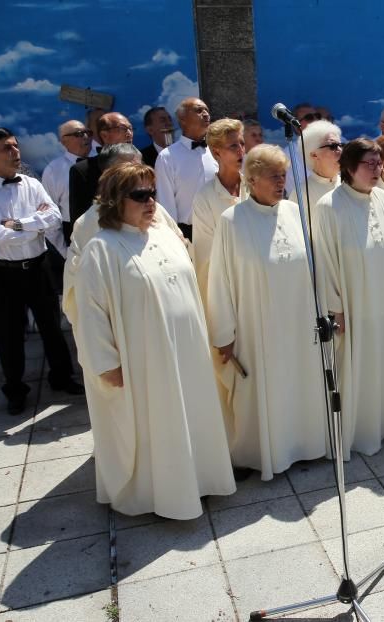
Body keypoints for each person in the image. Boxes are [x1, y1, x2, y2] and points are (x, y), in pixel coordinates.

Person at [74, 161, 235, 519]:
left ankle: (199, 479)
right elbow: (90, 313)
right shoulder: (102, 249)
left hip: (187, 351)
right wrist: (107, 364)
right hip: (146, 359)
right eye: (139, 195)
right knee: (159, 422)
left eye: (153, 193)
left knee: (192, 414)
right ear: (116, 201)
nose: (150, 202)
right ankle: (159, 494)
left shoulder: (164, 234)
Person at [207, 145, 328, 479]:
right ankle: (264, 454)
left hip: (300, 322)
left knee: (301, 382)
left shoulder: (295, 212)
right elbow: (220, 280)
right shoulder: (232, 220)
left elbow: (316, 267)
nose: (281, 181)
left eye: (284, 175)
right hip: (257, 326)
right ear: (252, 179)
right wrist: (223, 335)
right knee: (263, 392)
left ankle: (307, 444)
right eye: (273, 176)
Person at [0, 128, 84, 414]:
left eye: (16, 146)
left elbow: (54, 218)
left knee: (52, 326)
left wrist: (16, 224)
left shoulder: (31, 184)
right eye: (7, 148)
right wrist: (34, 224)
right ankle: (15, 390)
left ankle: (61, 377)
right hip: (2, 272)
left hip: (38, 266)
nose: (16, 152)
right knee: (9, 332)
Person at [315, 139, 384, 455]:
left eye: (378, 163)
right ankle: (359, 432)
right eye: (368, 164)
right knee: (358, 368)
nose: (376, 170)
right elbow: (326, 260)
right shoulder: (329, 206)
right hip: (355, 303)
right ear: (348, 167)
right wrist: (336, 308)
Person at [63, 144, 163, 327]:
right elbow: (85, 293)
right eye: (127, 168)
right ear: (108, 174)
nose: (135, 173)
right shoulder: (88, 224)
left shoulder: (158, 211)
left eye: (138, 166)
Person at [191, 119, 248, 303]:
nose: (241, 150)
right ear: (216, 152)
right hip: (226, 292)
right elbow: (205, 258)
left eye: (242, 143)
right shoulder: (204, 198)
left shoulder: (256, 185)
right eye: (233, 146)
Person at [155, 97, 217, 239]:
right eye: (199, 110)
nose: (206, 114)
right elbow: (165, 203)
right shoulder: (167, 157)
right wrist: (173, 238)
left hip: (220, 230)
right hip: (187, 234)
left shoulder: (218, 151)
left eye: (207, 110)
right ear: (182, 119)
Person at [68, 112, 134, 239]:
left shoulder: (141, 164)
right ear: (104, 135)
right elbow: (79, 219)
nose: (129, 133)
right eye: (123, 128)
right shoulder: (83, 170)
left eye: (131, 128)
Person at [42, 119, 91, 247]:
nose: (86, 137)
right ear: (64, 141)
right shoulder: (53, 170)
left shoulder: (101, 161)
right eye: (79, 134)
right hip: (72, 233)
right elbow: (50, 212)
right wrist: (63, 250)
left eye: (87, 133)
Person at [301, 119, 343, 218]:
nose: (340, 150)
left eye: (340, 145)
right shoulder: (302, 194)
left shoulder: (349, 185)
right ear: (314, 155)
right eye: (333, 146)